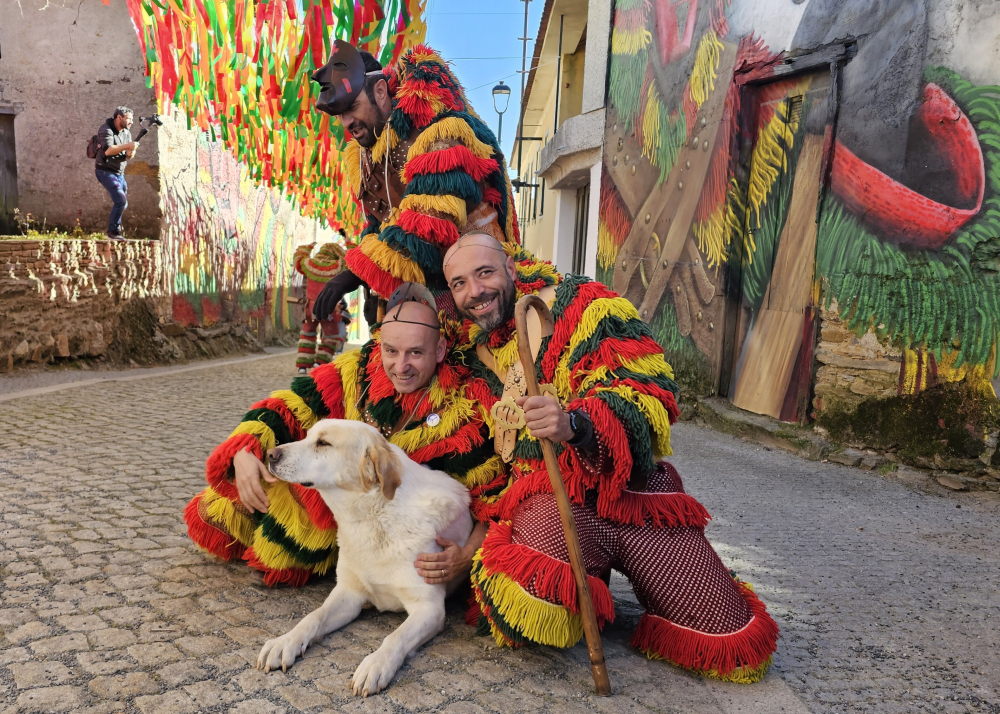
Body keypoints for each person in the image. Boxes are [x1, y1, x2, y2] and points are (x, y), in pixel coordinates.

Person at [443, 232, 780, 683]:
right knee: (524, 606)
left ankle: (640, 578)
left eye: (484, 273)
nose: (475, 292)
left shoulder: (582, 304)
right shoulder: (472, 356)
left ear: (510, 266)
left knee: (732, 645)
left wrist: (573, 425)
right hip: (552, 506)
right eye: (459, 283)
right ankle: (590, 585)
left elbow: (647, 392)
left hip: (632, 499)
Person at [184, 283, 499, 587]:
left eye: (415, 353)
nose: (401, 366)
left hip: (383, 536)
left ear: (440, 349)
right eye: (391, 351)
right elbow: (288, 406)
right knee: (216, 514)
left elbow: (492, 500)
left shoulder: (462, 410)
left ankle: (295, 552)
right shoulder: (355, 369)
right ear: (379, 345)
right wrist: (244, 450)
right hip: (338, 515)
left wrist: (465, 557)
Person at [307, 40, 521, 324]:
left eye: (353, 107)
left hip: (486, 294)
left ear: (380, 91)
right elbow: (380, 226)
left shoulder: (438, 130)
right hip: (431, 298)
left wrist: (356, 273)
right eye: (341, 115)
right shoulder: (365, 157)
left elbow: (429, 227)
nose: (347, 122)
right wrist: (378, 292)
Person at [292, 241, 348, 373]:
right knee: (331, 336)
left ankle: (303, 366)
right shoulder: (338, 266)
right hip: (328, 308)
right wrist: (349, 244)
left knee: (307, 333)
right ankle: (320, 362)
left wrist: (308, 246)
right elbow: (350, 260)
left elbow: (298, 258)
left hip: (310, 307)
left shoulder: (308, 264)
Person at [95, 107, 139, 240]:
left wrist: (131, 150)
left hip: (119, 172)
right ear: (119, 118)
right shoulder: (106, 129)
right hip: (105, 171)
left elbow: (127, 155)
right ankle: (113, 231)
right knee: (120, 200)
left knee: (123, 203)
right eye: (128, 119)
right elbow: (108, 150)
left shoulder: (126, 132)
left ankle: (114, 229)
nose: (131, 122)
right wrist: (127, 146)